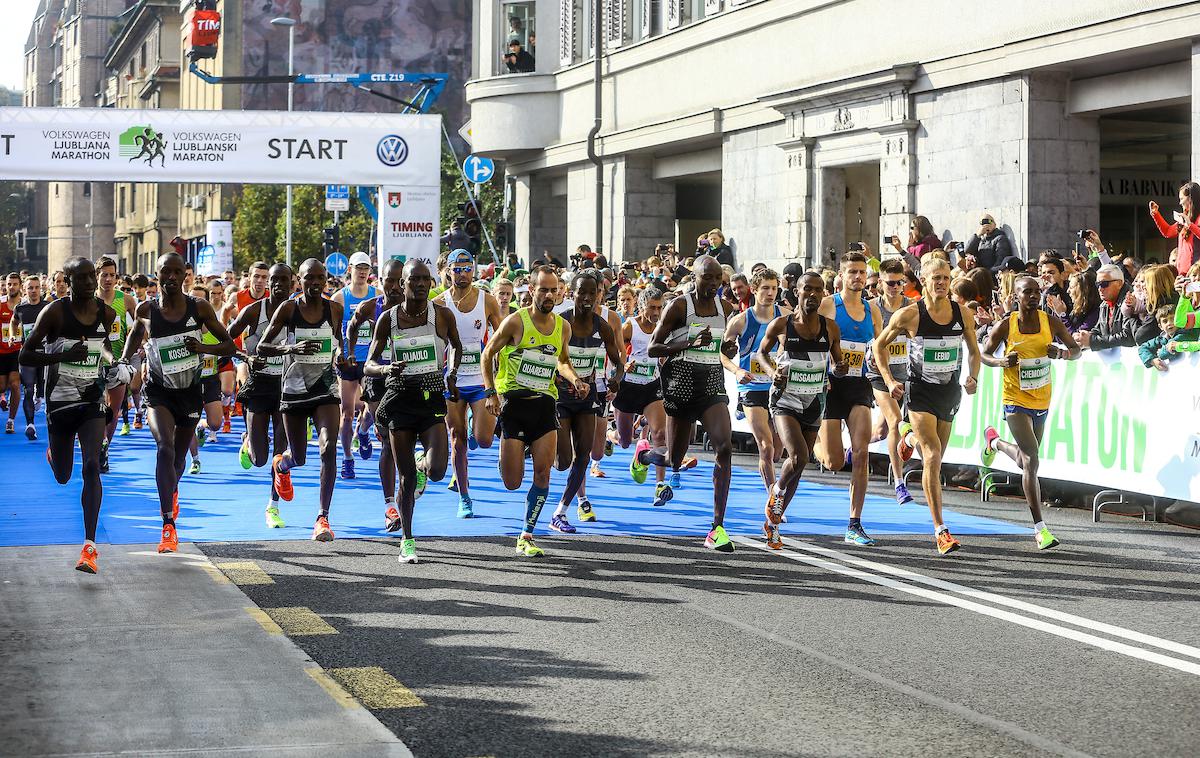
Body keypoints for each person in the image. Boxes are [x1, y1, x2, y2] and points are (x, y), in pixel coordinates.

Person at [120, 253, 236, 554]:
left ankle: (172, 490)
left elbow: (229, 345)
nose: (171, 277)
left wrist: (202, 347)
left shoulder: (198, 307)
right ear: (156, 275)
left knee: (179, 459)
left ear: (186, 274)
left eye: (176, 272)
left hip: (189, 391)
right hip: (158, 391)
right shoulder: (146, 309)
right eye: (165, 272)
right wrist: (123, 363)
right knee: (164, 448)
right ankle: (168, 524)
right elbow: (133, 338)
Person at [19, 257, 127, 573]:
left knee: (92, 464)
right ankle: (55, 454)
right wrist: (63, 355)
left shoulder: (106, 313)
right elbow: (26, 354)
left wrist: (114, 365)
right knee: (64, 475)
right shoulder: (54, 312)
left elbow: (105, 348)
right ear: (67, 280)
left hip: (92, 399)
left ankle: (89, 546)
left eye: (91, 277)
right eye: (81, 278)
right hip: (59, 402)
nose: (90, 283)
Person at [872, 258, 981, 555]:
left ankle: (907, 438)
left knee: (937, 455)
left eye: (946, 277)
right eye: (936, 278)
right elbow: (878, 345)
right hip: (919, 392)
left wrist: (973, 376)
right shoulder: (910, 315)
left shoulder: (962, 313)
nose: (942, 283)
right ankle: (940, 530)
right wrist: (888, 379)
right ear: (923, 279)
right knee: (931, 456)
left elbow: (974, 350)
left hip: (949, 391)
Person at [480, 265, 588, 558]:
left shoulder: (563, 327)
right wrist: (491, 392)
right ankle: (508, 459)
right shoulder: (516, 322)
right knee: (513, 482)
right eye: (544, 289)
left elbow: (562, 360)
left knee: (543, 474)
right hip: (514, 405)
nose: (550, 295)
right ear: (531, 290)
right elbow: (487, 353)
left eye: (554, 290)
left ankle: (526, 533)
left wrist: (575, 378)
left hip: (544, 405)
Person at [635, 256, 740, 552]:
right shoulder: (679, 306)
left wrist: (727, 348)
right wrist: (688, 344)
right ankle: (644, 456)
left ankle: (717, 527)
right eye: (706, 278)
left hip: (710, 387)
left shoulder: (726, 308)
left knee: (724, 446)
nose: (712, 285)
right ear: (694, 278)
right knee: (675, 459)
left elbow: (720, 347)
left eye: (717, 279)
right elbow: (655, 347)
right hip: (680, 386)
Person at [365, 260, 462, 564]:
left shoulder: (442, 316)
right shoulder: (388, 319)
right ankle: (407, 540)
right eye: (413, 280)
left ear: (432, 283)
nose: (420, 284)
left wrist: (452, 372)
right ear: (401, 284)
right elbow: (368, 363)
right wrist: (385, 369)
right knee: (404, 477)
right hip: (399, 401)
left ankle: (423, 465)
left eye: (425, 279)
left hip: (431, 398)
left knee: (437, 472)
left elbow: (457, 347)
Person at [980, 276, 1080, 549]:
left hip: (1042, 399)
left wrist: (1061, 354)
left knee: (1026, 461)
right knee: (1032, 460)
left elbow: (1076, 350)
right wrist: (1001, 361)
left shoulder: (1050, 322)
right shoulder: (1006, 324)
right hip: (1015, 399)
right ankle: (1040, 529)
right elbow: (984, 355)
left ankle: (995, 442)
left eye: (1037, 291)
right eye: (1028, 292)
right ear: (1016, 295)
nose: (1034, 296)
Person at [259, 259, 347, 542]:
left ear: (326, 280)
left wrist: (341, 355)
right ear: (300, 279)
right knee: (298, 457)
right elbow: (263, 347)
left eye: (320, 278)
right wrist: (290, 347)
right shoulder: (289, 308)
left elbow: (337, 340)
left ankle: (323, 518)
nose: (315, 284)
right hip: (294, 391)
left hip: (325, 389)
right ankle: (281, 466)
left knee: (328, 448)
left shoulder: (334, 309)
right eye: (309, 278)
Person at [756, 271, 846, 548]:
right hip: (785, 400)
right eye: (808, 289)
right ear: (797, 291)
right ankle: (777, 491)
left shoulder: (830, 327)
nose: (814, 295)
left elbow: (837, 363)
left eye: (819, 290)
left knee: (800, 464)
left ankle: (772, 523)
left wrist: (838, 369)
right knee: (798, 454)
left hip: (814, 400)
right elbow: (761, 353)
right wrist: (772, 372)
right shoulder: (782, 324)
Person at [545, 272, 625, 532]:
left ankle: (561, 512)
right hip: (560, 395)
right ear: (571, 293)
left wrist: (616, 379)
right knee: (563, 461)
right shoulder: (561, 322)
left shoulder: (602, 326)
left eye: (593, 293)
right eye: (582, 293)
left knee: (584, 455)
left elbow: (617, 361)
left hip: (587, 395)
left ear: (600, 294)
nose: (588, 298)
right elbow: (554, 358)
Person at [815, 252, 884, 545]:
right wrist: (826, 367)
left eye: (861, 272)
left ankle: (854, 523)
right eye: (852, 272)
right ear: (841, 276)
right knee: (832, 462)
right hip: (831, 386)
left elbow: (880, 346)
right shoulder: (830, 305)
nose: (857, 277)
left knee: (861, 452)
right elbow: (812, 339)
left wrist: (885, 378)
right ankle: (811, 445)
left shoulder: (873, 310)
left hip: (860, 386)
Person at [434, 249, 503, 518]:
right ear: (448, 271)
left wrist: (501, 370)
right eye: (457, 268)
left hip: (480, 378)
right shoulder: (439, 303)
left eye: (467, 268)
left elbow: (501, 337)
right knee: (457, 440)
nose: (463, 274)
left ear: (473, 270)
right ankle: (464, 495)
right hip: (452, 381)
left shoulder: (487, 301)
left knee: (484, 440)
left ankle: (478, 429)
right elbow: (435, 343)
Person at [226, 263, 292, 528]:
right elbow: (226, 337)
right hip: (258, 387)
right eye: (272, 280)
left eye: (282, 280)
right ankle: (248, 443)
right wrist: (245, 357)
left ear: (292, 283)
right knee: (260, 458)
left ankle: (272, 507)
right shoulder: (254, 311)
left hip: (287, 388)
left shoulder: (298, 312)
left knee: (279, 453)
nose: (277, 284)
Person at [346, 259, 403, 530]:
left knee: (384, 428)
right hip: (376, 376)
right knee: (388, 438)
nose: (393, 286)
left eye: (397, 281)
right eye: (388, 280)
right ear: (379, 281)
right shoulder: (371, 307)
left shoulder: (414, 307)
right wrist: (348, 352)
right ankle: (390, 505)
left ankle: (364, 430)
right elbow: (352, 328)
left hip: (403, 377)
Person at [724, 268, 787, 499]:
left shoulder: (785, 316)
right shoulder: (740, 321)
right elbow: (721, 354)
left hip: (778, 386)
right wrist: (737, 370)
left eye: (774, 288)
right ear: (754, 290)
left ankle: (775, 486)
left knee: (778, 450)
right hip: (751, 387)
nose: (771, 293)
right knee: (766, 447)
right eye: (765, 289)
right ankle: (773, 496)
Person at [864, 258, 915, 504]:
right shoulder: (872, 308)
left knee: (882, 431)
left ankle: (857, 446)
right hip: (880, 375)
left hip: (904, 373)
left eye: (898, 283)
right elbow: (866, 337)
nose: (894, 288)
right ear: (880, 283)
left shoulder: (911, 307)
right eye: (889, 283)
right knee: (896, 421)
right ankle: (899, 482)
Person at [331, 252, 377, 480]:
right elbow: (334, 330)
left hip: (370, 361)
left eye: (366, 268)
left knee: (371, 409)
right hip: (348, 361)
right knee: (347, 413)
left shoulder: (377, 296)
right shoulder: (340, 297)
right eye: (358, 267)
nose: (362, 271)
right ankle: (347, 457)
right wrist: (339, 351)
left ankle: (364, 430)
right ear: (350, 269)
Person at [95, 257, 137, 469]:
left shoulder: (127, 300)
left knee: (114, 409)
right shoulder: (88, 299)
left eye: (112, 275)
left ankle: (105, 448)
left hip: (119, 361)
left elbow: (139, 326)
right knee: (97, 406)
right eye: (104, 275)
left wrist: (141, 344)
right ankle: (99, 443)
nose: (109, 279)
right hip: (93, 362)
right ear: (97, 276)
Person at [15, 274, 49, 439]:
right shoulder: (20, 309)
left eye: (36, 287)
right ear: (25, 290)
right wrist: (15, 336)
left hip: (46, 355)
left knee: (45, 392)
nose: (34, 291)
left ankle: (41, 395)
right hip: (28, 355)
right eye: (30, 288)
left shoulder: (48, 307)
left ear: (41, 289)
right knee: (28, 390)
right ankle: (30, 425)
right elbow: (14, 323)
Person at [1075, 264, 1135, 351]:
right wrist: (1084, 337)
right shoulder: (1104, 304)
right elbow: (1099, 329)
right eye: (1097, 284)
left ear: (1119, 283)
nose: (1100, 288)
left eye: (1104, 284)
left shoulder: (1130, 302)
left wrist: (1092, 341)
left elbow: (1128, 337)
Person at [1149, 183, 1200, 276]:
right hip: (1182, 272)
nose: (1180, 203)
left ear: (1190, 199)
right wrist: (1156, 214)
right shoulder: (1185, 219)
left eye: (1181, 199)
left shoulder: (1195, 219)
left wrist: (1190, 225)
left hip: (1195, 272)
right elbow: (1168, 232)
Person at [0, 273, 23, 434]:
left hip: (18, 352)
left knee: (15, 384)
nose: (12, 287)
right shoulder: (0, 304)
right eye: (9, 284)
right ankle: (3, 395)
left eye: (15, 284)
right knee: (2, 385)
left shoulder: (25, 305)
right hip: (1, 352)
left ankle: (11, 420)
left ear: (20, 286)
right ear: (5, 286)